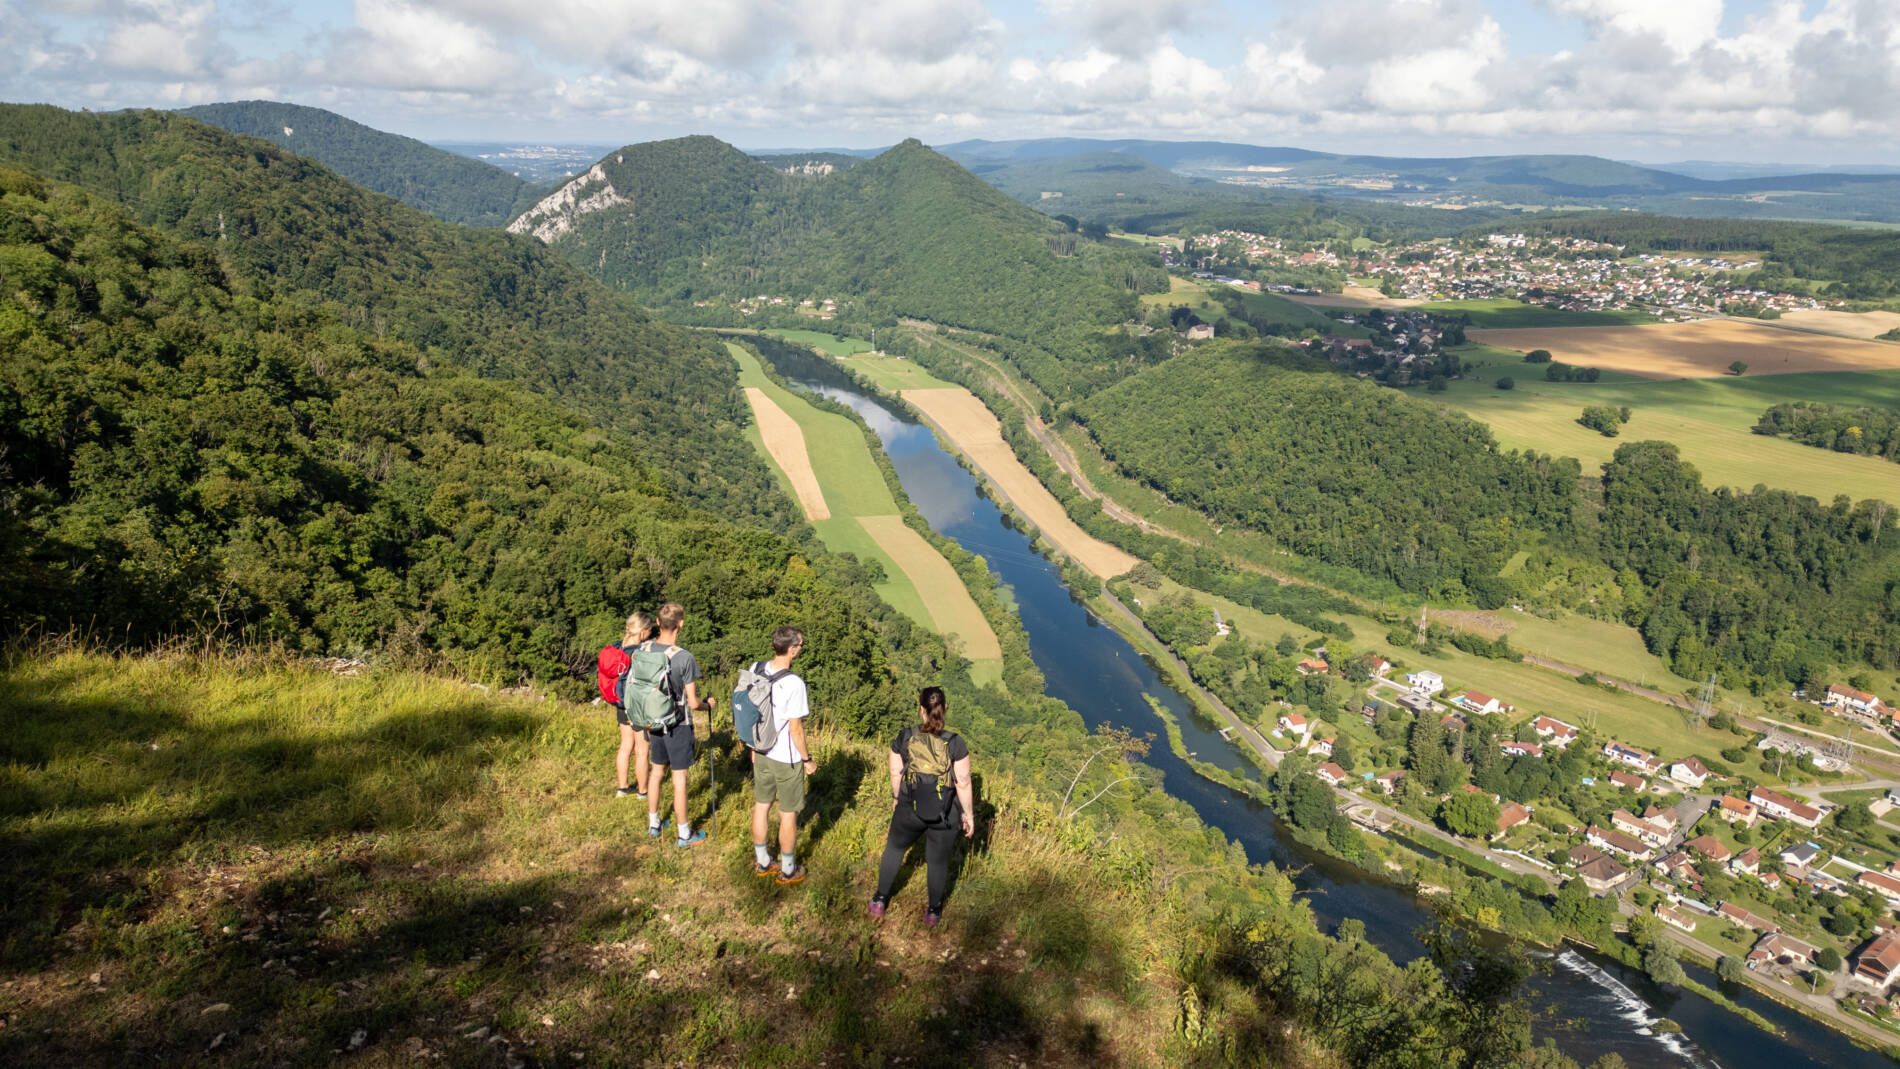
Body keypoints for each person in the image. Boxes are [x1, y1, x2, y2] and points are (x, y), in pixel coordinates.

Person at [869, 687, 974, 926]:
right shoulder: (955, 743)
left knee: (895, 849)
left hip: (909, 806)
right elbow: (964, 783)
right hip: (945, 813)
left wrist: (897, 798)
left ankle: (879, 901)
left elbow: (896, 772)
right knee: (937, 862)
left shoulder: (905, 736)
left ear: (921, 710)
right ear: (945, 709)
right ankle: (933, 913)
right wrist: (968, 815)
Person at [641, 602, 717, 848]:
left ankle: (654, 824)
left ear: (657, 622)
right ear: (680, 624)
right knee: (679, 778)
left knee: (656, 772)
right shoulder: (684, 657)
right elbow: (693, 703)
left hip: (653, 721)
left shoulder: (644, 649)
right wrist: (708, 705)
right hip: (678, 724)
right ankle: (684, 834)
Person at [751, 626, 814, 885]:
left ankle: (763, 861)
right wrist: (807, 760)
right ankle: (788, 869)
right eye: (800, 645)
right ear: (791, 649)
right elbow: (796, 730)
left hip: (760, 751)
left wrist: (753, 748)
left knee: (762, 805)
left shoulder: (755, 669)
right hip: (785, 757)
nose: (801, 649)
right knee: (788, 813)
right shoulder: (794, 683)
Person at [613, 611, 656, 799]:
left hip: (621, 703)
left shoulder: (618, 647)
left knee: (625, 745)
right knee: (642, 748)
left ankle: (622, 788)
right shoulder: (641, 651)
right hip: (638, 705)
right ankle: (643, 791)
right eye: (649, 631)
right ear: (643, 631)